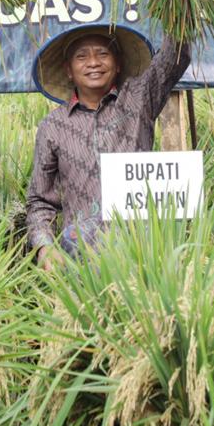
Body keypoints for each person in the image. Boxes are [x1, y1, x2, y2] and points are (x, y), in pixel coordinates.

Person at [25, 23, 191, 268]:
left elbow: (175, 57)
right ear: (69, 70)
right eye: (82, 56)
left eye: (103, 54)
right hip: (79, 259)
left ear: (118, 64)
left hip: (142, 254)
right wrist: (45, 246)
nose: (93, 62)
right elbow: (40, 201)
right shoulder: (52, 126)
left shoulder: (138, 100)